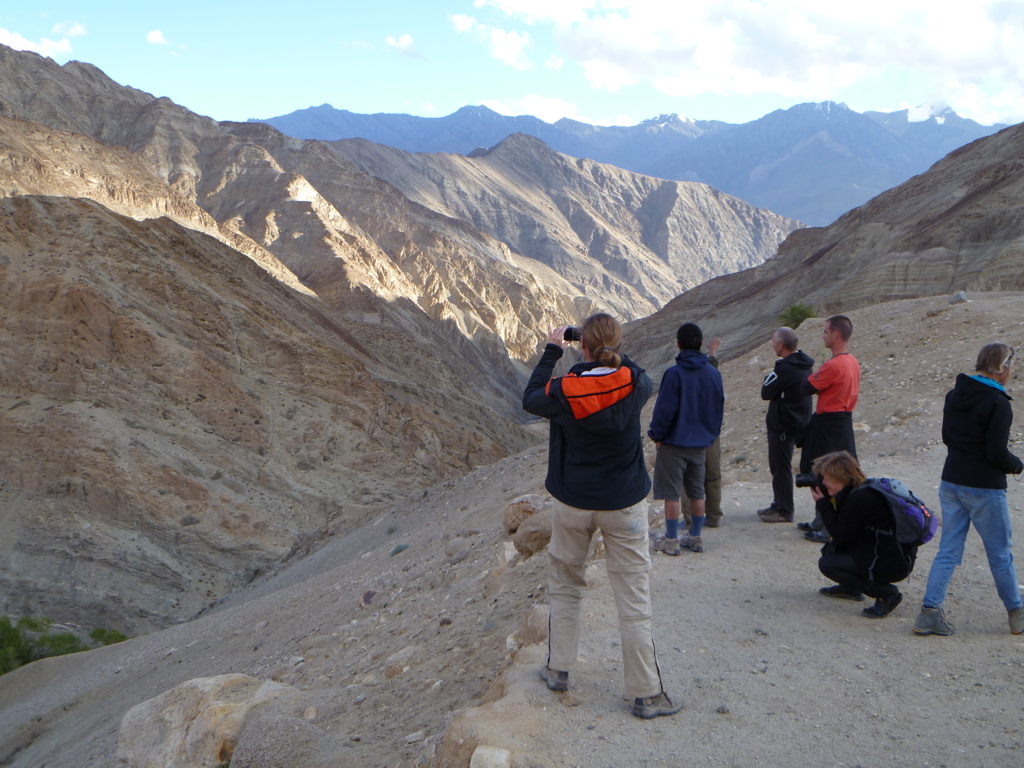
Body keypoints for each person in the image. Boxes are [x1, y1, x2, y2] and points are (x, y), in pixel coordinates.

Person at [522, 313, 682, 719]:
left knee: (565, 583)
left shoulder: (564, 390)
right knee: (633, 595)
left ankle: (558, 669)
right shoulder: (637, 384)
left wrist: (553, 349)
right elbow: (633, 369)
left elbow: (530, 397)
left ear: (583, 346)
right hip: (624, 503)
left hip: (573, 501)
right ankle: (646, 693)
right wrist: (607, 350)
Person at [914, 343, 1024, 636]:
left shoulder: (954, 395)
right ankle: (1017, 613)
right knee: (1000, 554)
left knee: (948, 550)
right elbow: (997, 453)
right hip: (985, 488)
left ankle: (929, 612)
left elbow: (947, 437)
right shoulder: (998, 403)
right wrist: (1018, 466)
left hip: (952, 482)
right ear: (1002, 368)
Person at [649, 322, 725, 555]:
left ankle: (671, 541)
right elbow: (718, 407)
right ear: (701, 344)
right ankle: (695, 537)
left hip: (673, 443)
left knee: (672, 493)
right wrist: (709, 434)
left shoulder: (673, 374)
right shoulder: (713, 373)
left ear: (678, 345)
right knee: (697, 491)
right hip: (700, 443)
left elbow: (664, 410)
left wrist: (657, 436)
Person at [812, 451, 917, 618]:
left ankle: (887, 593)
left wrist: (824, 505)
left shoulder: (858, 499)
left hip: (891, 563)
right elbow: (844, 534)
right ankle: (850, 588)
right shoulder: (860, 489)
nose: (823, 483)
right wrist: (831, 502)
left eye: (825, 478)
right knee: (830, 550)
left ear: (839, 476)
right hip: (893, 554)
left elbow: (840, 536)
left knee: (828, 563)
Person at [798, 315, 860, 542]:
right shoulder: (852, 361)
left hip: (828, 425)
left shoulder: (833, 365)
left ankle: (826, 526)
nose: (823, 335)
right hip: (843, 421)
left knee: (825, 473)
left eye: (825, 332)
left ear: (835, 335)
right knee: (838, 471)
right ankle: (821, 520)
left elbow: (806, 387)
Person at [757, 327, 814, 523]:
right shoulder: (804, 365)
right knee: (780, 467)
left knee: (780, 468)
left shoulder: (786, 368)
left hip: (783, 424)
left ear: (781, 345)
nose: (772, 344)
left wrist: (773, 385)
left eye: (773, 341)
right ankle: (778, 504)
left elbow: (766, 391)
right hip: (797, 420)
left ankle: (784, 510)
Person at [682, 336, 723, 527]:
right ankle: (713, 517)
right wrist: (712, 352)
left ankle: (691, 520)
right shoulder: (711, 374)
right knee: (712, 476)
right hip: (710, 433)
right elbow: (713, 368)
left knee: (689, 478)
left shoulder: (679, 373)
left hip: (689, 434)